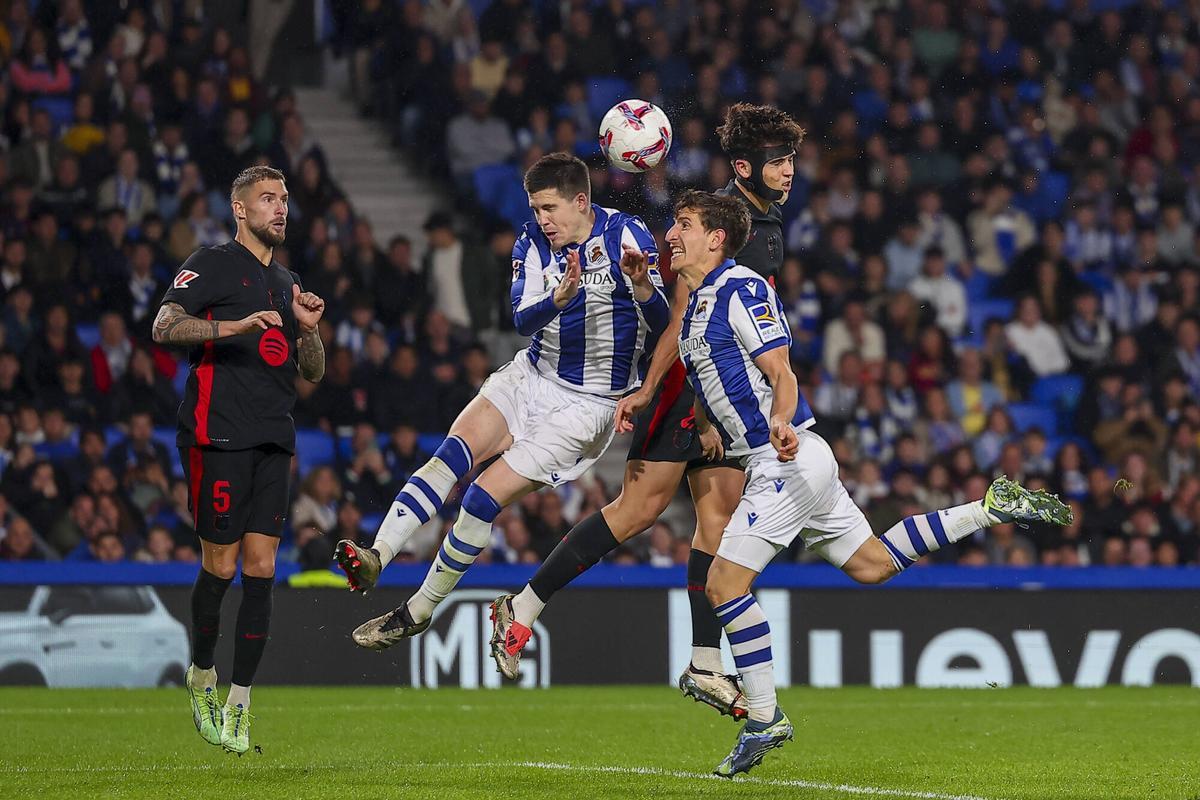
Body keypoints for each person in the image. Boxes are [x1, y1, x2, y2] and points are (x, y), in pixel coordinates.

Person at [512, 191, 1073, 777]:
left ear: (716, 238)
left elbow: (781, 370)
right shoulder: (699, 304)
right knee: (872, 565)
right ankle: (989, 508)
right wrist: (705, 428)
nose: (670, 235)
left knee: (725, 587)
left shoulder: (742, 288)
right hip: (787, 461)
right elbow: (710, 383)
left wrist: (779, 418)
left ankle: (764, 717)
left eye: (683, 225)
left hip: (784, 457)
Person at [488, 103, 802, 719]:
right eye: (779, 161)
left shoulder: (767, 223)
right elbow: (683, 317)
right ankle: (522, 607)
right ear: (746, 167)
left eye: (792, 159)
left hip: (721, 394)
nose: (789, 171)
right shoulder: (716, 223)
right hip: (690, 389)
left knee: (718, 521)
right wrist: (656, 391)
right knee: (635, 512)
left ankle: (705, 665)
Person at [334, 153, 669, 648]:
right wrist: (557, 299)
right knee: (450, 455)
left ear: (581, 201)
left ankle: (419, 610)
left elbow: (664, 327)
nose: (542, 220)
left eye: (551, 208)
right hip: (531, 374)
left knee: (479, 498)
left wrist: (641, 286)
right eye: (536, 209)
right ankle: (377, 554)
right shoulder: (532, 243)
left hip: (587, 405)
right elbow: (521, 320)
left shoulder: (629, 237)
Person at [151, 165, 326, 755]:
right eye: (268, 199)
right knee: (220, 567)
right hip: (216, 434)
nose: (279, 208)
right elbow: (164, 325)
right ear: (240, 209)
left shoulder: (287, 280)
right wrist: (234, 325)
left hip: (274, 436)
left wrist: (308, 330)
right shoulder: (213, 262)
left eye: (284, 199)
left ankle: (241, 701)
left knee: (261, 567)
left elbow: (311, 372)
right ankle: (202, 673)